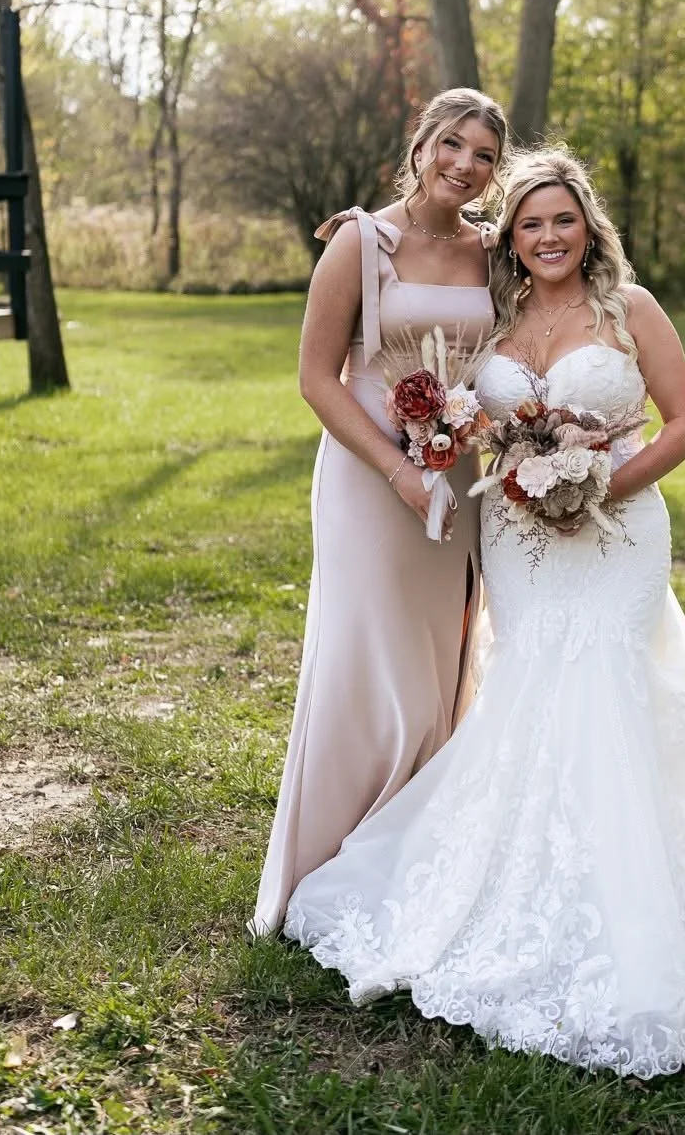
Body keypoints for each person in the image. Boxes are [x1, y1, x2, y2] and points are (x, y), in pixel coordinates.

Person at [283, 147, 685, 1076]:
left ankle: (645, 916)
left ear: (589, 226)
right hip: (517, 539)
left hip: (617, 536)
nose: (547, 238)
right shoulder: (496, 317)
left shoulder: (631, 311)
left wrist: (599, 486)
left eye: (563, 220)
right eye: (529, 224)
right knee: (532, 697)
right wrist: (477, 454)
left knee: (612, 692)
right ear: (511, 238)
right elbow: (461, 411)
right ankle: (515, 891)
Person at [249, 89, 507, 938]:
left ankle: (410, 859)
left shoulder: (492, 251)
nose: (463, 166)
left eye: (483, 156)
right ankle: (323, 862)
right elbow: (317, 377)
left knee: (437, 664)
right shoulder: (362, 239)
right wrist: (398, 467)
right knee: (366, 657)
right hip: (369, 477)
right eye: (452, 144)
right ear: (422, 143)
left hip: (455, 478)